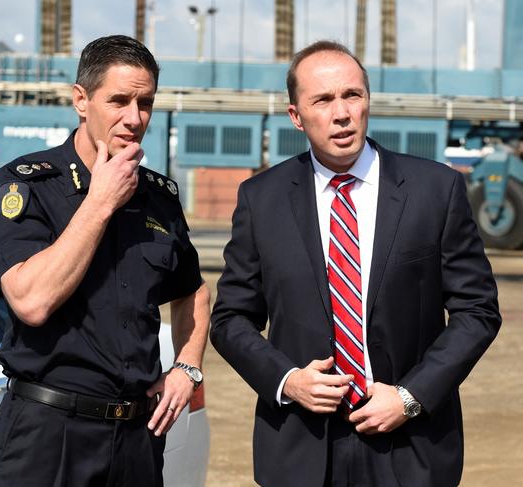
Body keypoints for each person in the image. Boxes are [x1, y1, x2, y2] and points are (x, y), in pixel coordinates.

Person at [210, 40, 501, 487]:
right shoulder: (261, 199)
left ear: (368, 101)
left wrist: (409, 397)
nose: (341, 113)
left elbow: (477, 311)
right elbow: (230, 319)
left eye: (352, 95)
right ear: (296, 116)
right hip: (300, 449)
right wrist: (287, 380)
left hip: (409, 445)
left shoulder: (435, 191)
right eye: (322, 100)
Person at [0, 35, 210, 487]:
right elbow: (31, 301)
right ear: (81, 100)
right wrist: (99, 201)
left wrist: (187, 367)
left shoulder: (158, 196)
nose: (134, 118)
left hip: (137, 438)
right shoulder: (23, 187)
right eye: (119, 100)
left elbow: (192, 290)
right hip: (49, 436)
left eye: (145, 103)